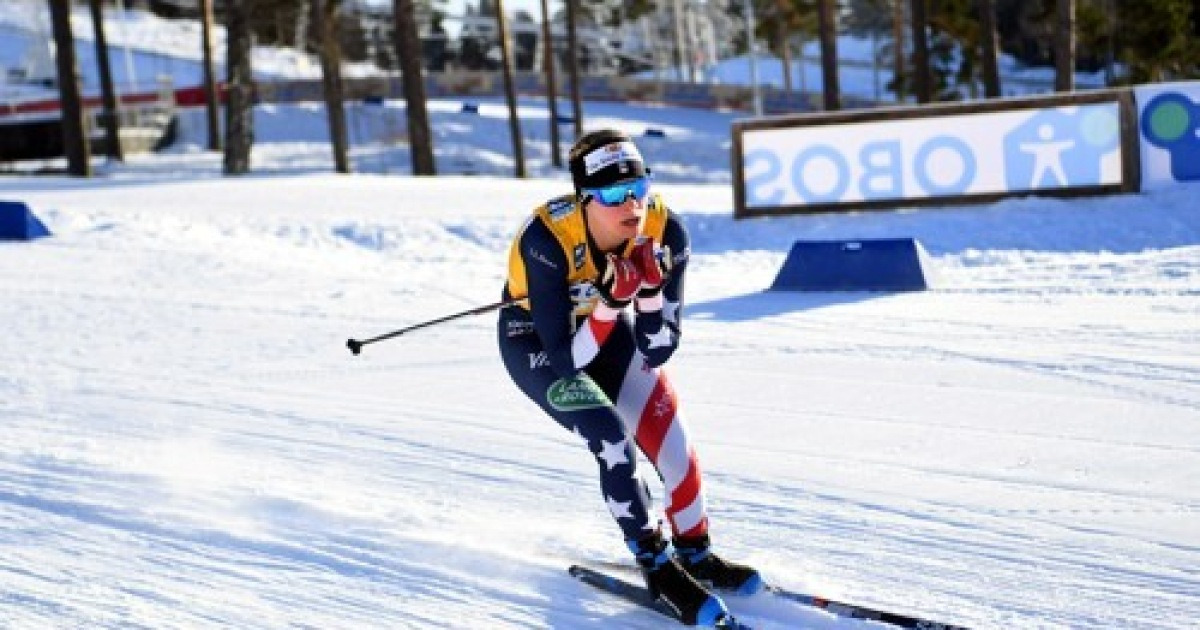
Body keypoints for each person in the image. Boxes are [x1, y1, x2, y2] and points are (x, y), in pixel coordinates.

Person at [497, 129, 762, 626]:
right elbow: (567, 361)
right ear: (584, 199)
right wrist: (613, 301)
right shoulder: (546, 239)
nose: (632, 205)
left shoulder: (666, 231)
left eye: (638, 189)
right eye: (614, 195)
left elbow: (658, 346)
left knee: (675, 443)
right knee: (612, 438)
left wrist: (651, 294)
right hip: (537, 344)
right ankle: (657, 566)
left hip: (607, 335)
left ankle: (695, 552)